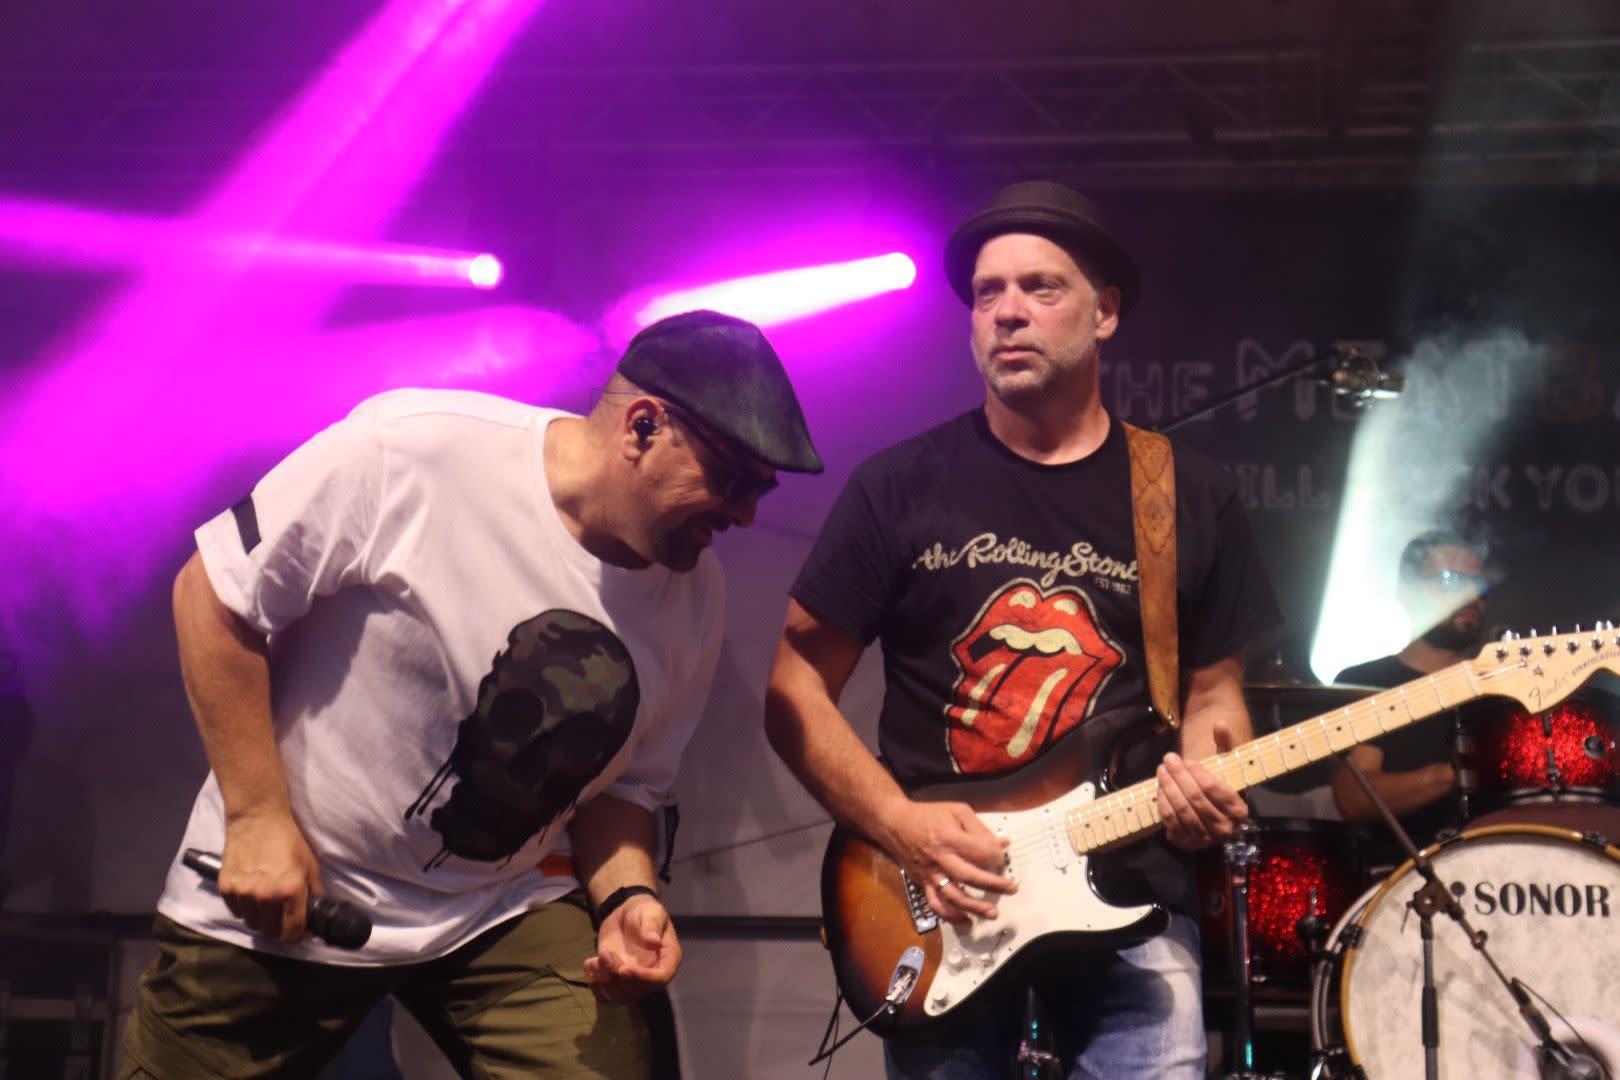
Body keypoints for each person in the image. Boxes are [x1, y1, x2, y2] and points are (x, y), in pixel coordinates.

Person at [122, 309, 823, 1080]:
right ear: (643, 427)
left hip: (496, 908)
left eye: (762, 489)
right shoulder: (415, 451)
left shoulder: (694, 596)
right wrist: (256, 819)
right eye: (732, 480)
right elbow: (213, 595)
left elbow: (622, 793)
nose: (746, 515)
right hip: (302, 881)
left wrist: (627, 897)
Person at [763, 180, 1281, 1079]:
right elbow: (794, 686)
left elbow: (1214, 693)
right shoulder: (899, 486)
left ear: (1105, 312)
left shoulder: (1186, 494)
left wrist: (1206, 784)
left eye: (1040, 287)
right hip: (944, 896)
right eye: (986, 293)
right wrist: (897, 824)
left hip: (1130, 887)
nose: (1007, 312)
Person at [1330, 527, 1500, 867]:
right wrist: (1457, 774)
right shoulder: (1366, 683)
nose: (1470, 596)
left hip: (1497, 871)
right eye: (1451, 580)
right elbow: (1353, 797)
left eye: (1479, 585)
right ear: (1408, 592)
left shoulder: (1500, 685)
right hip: (1398, 876)